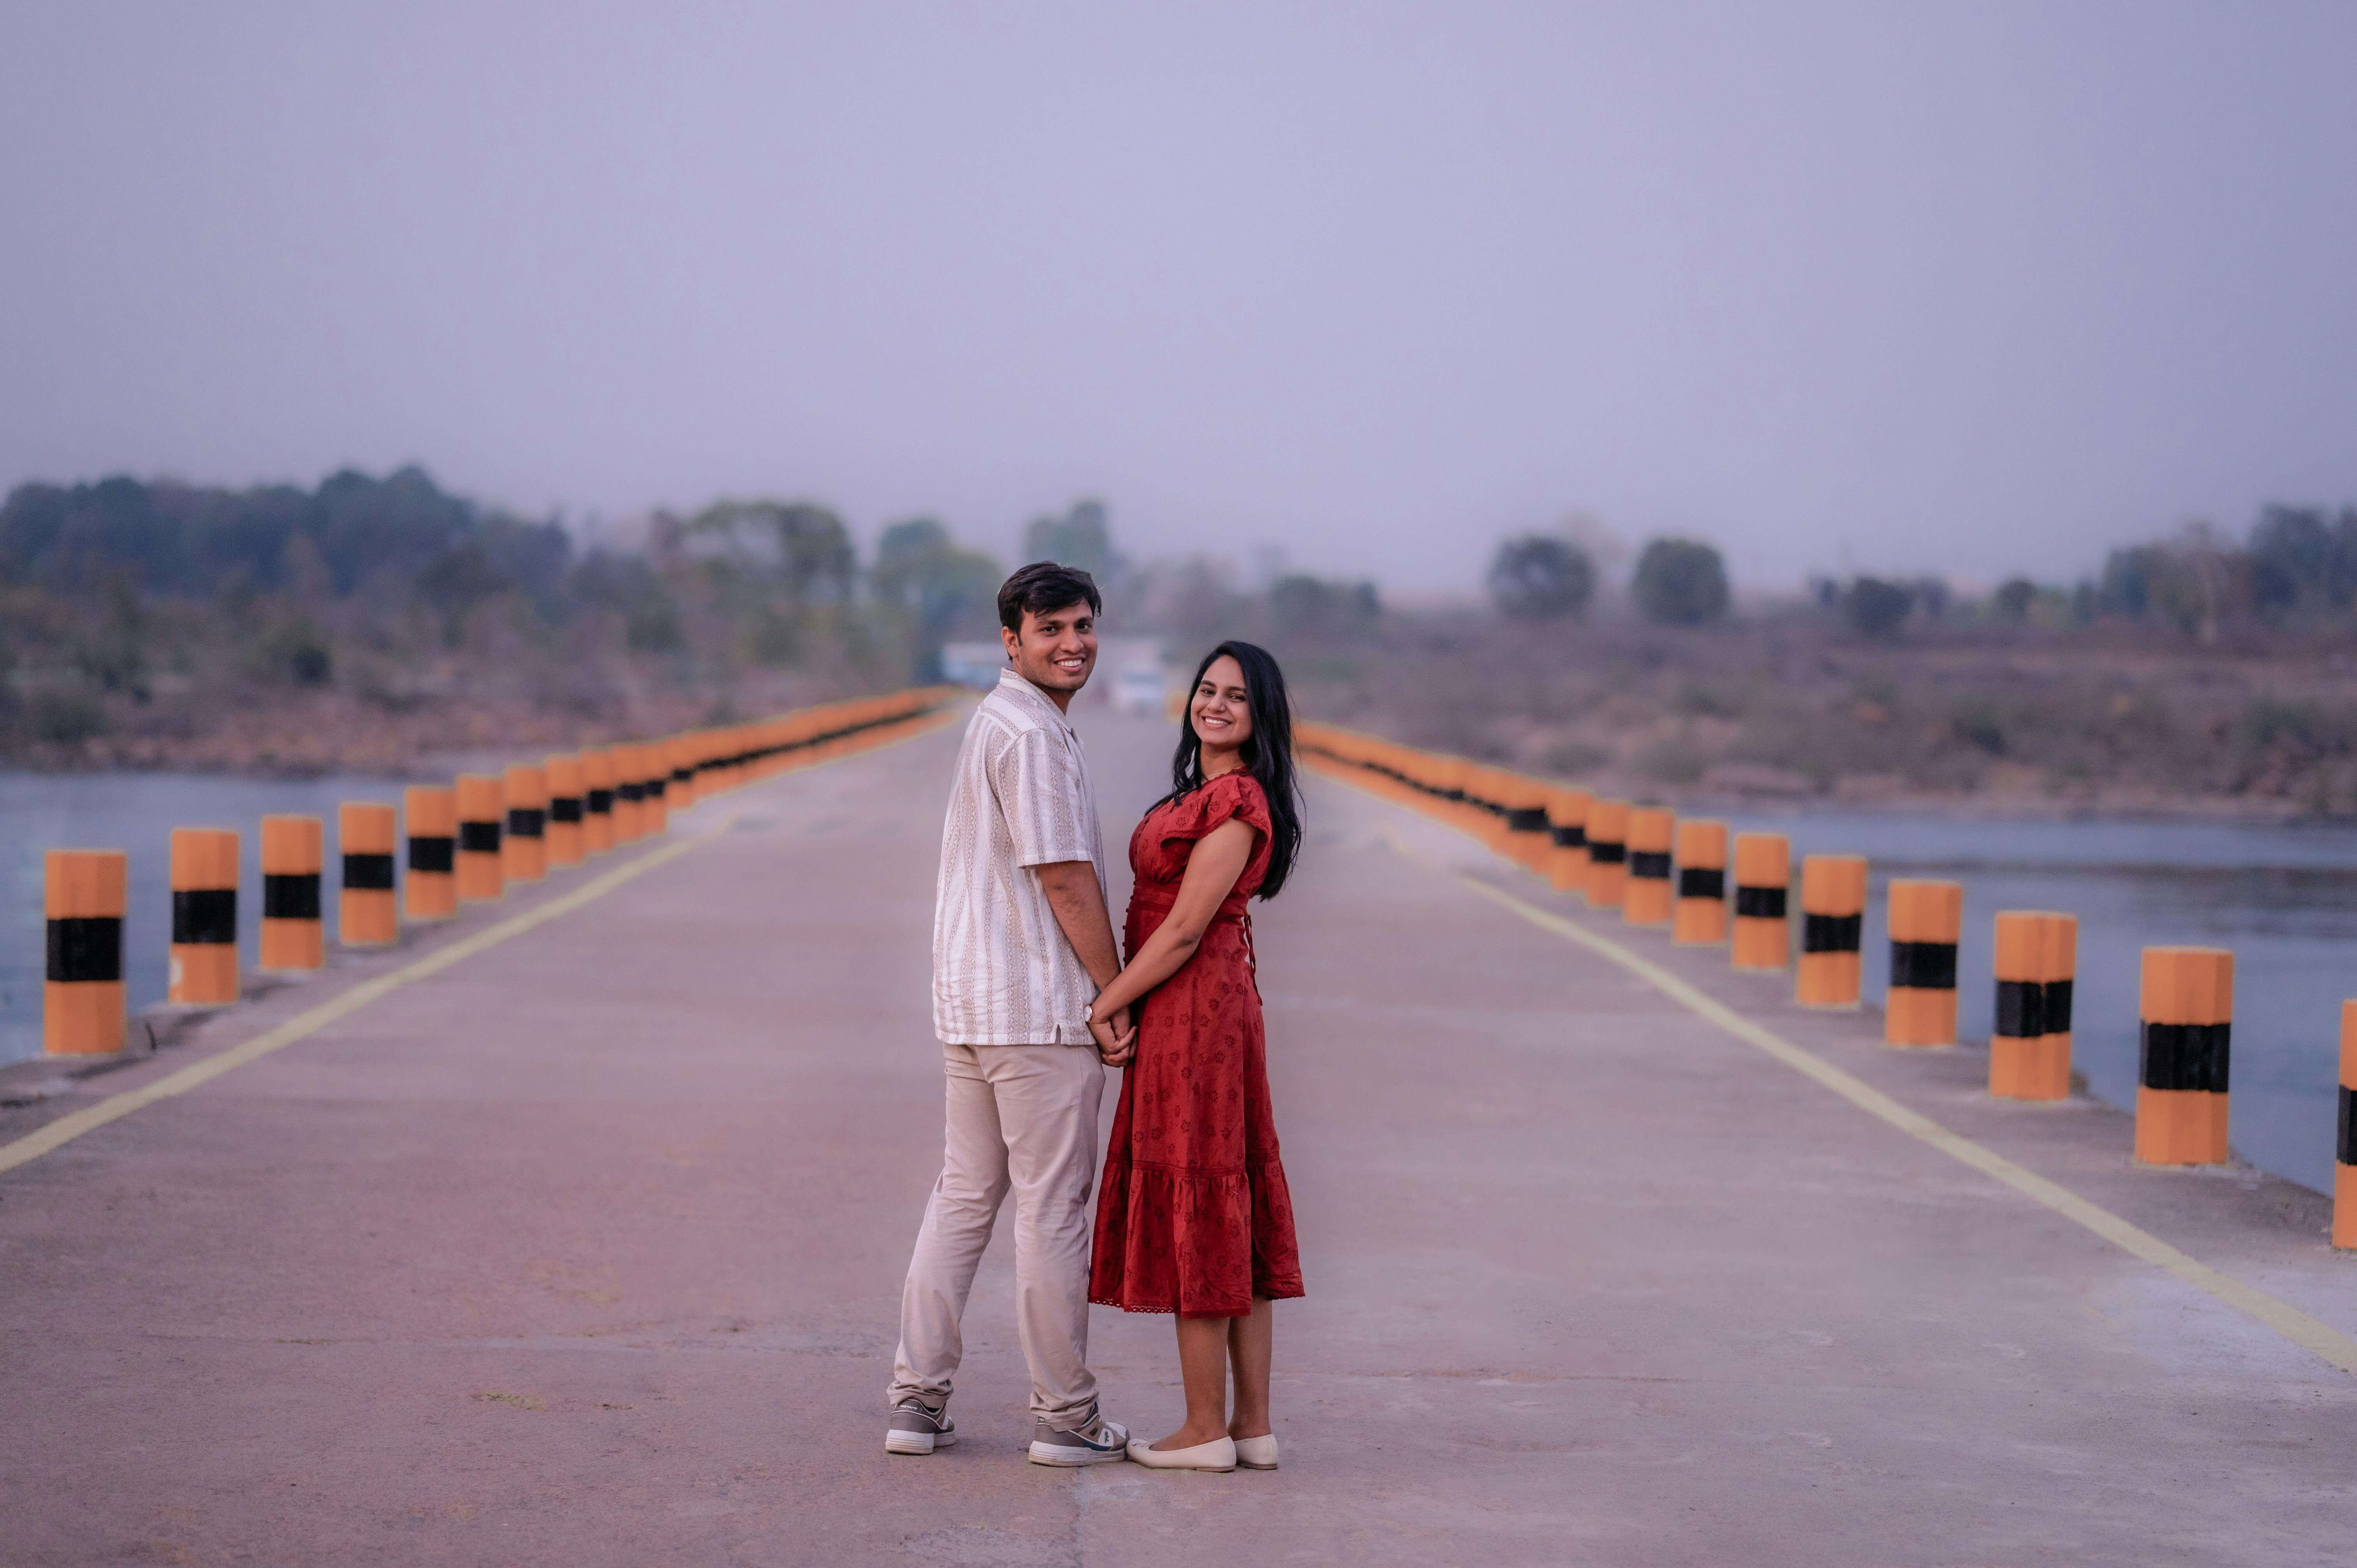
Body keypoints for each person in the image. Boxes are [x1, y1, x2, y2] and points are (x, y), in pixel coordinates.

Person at [886, 562, 1138, 1466]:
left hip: (975, 1005)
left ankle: (917, 1400)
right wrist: (1113, 992)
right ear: (1012, 640)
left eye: (1084, 625)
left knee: (964, 1198)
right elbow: (1062, 875)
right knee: (1052, 1210)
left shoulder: (1002, 718)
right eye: (1051, 629)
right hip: (1035, 1011)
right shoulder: (1030, 733)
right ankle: (1065, 1415)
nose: (1073, 643)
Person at [1086, 640, 1306, 1473]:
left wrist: (1106, 1002)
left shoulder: (1238, 799)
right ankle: (1251, 1427)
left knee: (1205, 1194)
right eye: (1207, 690)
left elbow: (1183, 929)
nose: (1215, 704)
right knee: (1227, 1198)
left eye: (1236, 696)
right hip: (1198, 1004)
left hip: (1197, 1011)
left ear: (1261, 714)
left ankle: (1204, 1427)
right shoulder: (1204, 791)